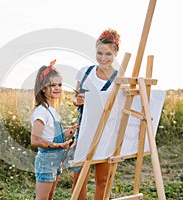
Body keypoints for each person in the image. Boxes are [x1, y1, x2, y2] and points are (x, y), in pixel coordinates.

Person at [72, 28, 121, 200]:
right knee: (79, 177)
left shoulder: (119, 78)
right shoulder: (85, 72)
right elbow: (75, 98)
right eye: (99, 53)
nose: (103, 58)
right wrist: (76, 100)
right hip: (85, 130)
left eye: (108, 54)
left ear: (115, 53)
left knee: (102, 179)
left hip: (107, 132)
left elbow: (121, 106)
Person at [31, 59, 79, 200]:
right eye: (52, 85)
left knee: (50, 197)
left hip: (56, 160)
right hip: (46, 160)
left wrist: (70, 131)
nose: (57, 88)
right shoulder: (41, 111)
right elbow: (35, 140)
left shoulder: (52, 110)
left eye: (59, 84)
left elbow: (52, 135)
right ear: (43, 88)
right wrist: (60, 145)